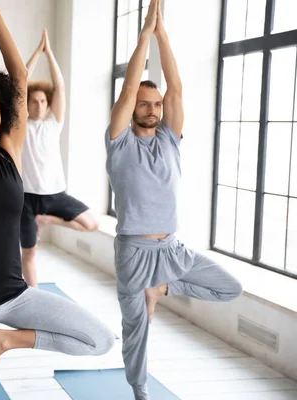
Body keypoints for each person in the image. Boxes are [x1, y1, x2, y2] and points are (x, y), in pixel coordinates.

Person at [0, 1, 115, 398]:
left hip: (15, 296)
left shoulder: (11, 153)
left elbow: (19, 76)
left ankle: (3, 342)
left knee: (100, 340)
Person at [105, 1, 242, 398]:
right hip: (134, 252)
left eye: (156, 104)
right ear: (132, 109)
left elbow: (177, 88)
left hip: (172, 248)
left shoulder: (170, 139)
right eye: (143, 103)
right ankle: (140, 392)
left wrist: (163, 35)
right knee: (137, 332)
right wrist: (145, 34)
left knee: (229, 287)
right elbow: (129, 87)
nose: (150, 108)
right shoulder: (119, 143)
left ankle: (160, 290)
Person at [21, 28, 98, 287]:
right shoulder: (20, 126)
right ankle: (34, 299)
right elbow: (18, 83)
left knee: (91, 224)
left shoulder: (54, 123)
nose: (39, 105)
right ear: (27, 104)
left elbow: (61, 86)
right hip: (27, 198)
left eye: (43, 101)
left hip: (55, 194)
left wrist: (49, 53)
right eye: (34, 101)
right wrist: (36, 53)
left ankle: (46, 221)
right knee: (29, 254)